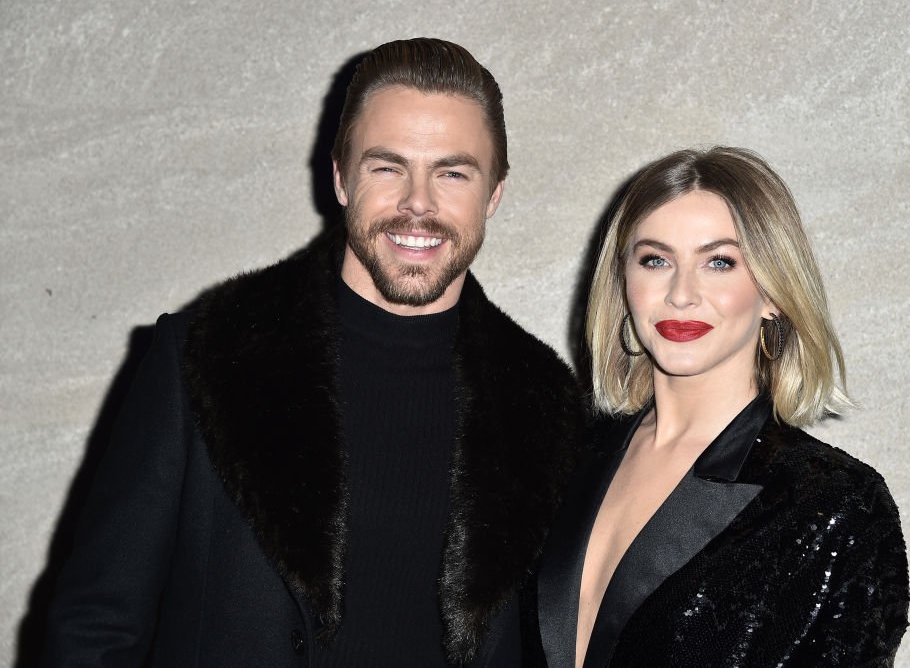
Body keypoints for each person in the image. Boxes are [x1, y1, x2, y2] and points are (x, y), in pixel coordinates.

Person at [44, 38, 584, 666]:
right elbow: (96, 623)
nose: (418, 203)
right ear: (340, 177)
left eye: (453, 172)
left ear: (493, 195)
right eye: (387, 167)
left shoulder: (546, 405)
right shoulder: (206, 356)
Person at [522, 147, 909, 666]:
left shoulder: (834, 505)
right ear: (624, 283)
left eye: (719, 262)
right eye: (655, 260)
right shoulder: (559, 456)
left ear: (773, 292)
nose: (681, 294)